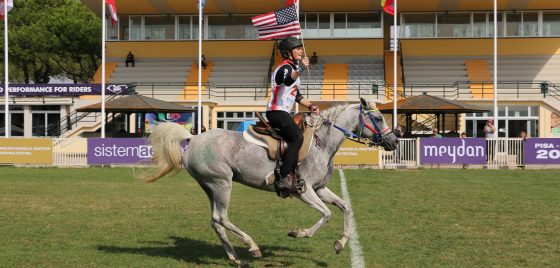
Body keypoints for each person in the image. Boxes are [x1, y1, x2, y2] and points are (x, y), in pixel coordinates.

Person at [267, 36, 319, 194]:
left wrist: (311, 105)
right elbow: (288, 82)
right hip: (277, 111)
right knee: (297, 137)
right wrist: (301, 69)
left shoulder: (292, 69)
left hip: (283, 112)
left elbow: (297, 95)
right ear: (288, 53)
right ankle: (284, 177)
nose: (301, 51)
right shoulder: (285, 68)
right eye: (298, 48)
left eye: (300, 48)